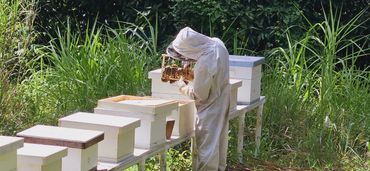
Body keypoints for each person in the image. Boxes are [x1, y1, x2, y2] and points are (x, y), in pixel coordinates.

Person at [166, 27, 230, 171]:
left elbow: (200, 95)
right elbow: (213, 75)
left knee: (208, 148)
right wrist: (194, 76)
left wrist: (180, 85)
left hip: (210, 107)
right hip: (223, 99)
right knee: (219, 143)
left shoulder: (204, 63)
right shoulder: (218, 43)